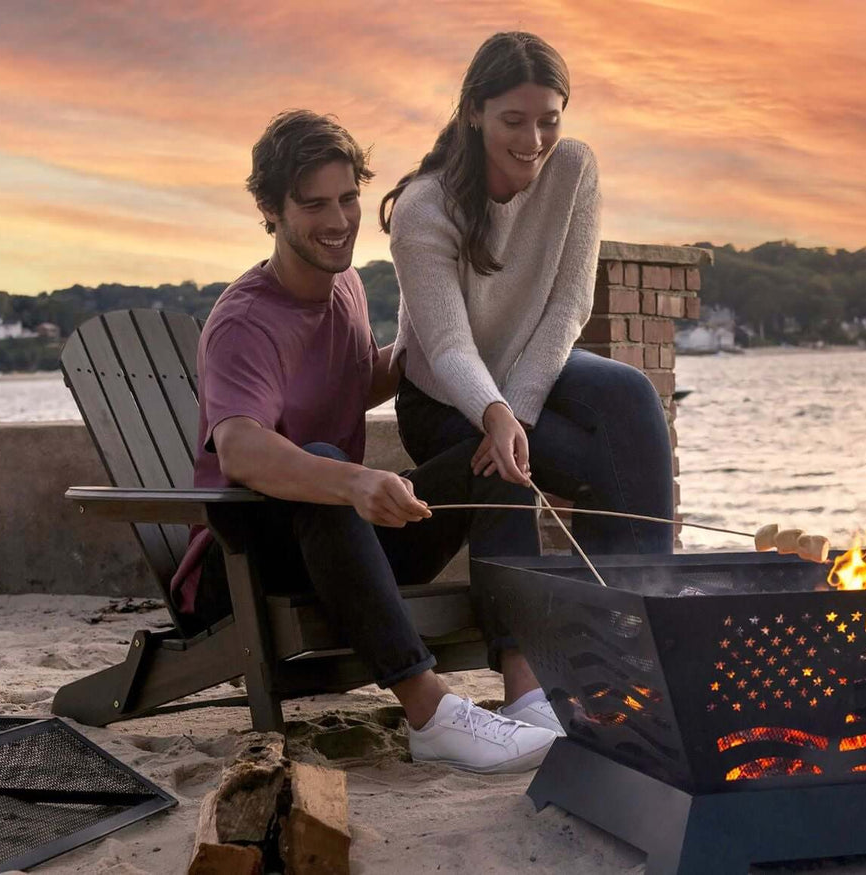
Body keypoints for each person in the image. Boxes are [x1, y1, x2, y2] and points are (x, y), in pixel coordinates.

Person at [176, 109, 556, 773]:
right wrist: (354, 481)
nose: (338, 220)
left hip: (343, 547)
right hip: (243, 559)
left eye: (349, 197)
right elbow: (238, 447)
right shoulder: (245, 321)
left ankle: (526, 691)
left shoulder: (345, 287)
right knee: (323, 465)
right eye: (313, 203)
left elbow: (361, 379)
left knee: (491, 449)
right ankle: (430, 710)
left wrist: (446, 345)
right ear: (269, 208)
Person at [380, 31, 675, 734]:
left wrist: (516, 407)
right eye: (514, 120)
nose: (534, 138)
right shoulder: (425, 207)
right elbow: (449, 343)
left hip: (526, 375)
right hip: (446, 395)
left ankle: (632, 650)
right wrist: (494, 412)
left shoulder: (573, 169)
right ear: (474, 112)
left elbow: (570, 306)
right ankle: (526, 682)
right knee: (510, 464)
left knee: (629, 397)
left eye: (549, 118)